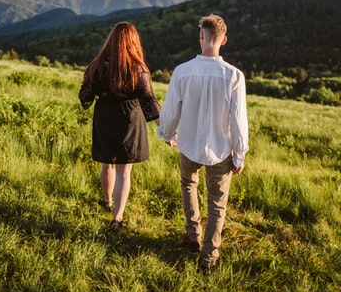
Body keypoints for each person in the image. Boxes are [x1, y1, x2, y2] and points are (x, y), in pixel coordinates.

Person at [158, 14, 249, 270]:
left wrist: (167, 134)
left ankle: (192, 236)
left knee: (188, 184)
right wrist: (239, 154)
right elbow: (239, 118)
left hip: (187, 142)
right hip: (221, 149)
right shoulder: (234, 75)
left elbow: (171, 110)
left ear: (201, 36)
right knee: (217, 203)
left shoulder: (182, 72)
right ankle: (209, 256)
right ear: (224, 40)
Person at [79, 21, 160, 229]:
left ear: (112, 40)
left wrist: (98, 93)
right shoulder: (138, 68)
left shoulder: (99, 64)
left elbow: (85, 93)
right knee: (125, 171)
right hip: (130, 119)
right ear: (134, 41)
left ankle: (107, 201)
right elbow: (148, 99)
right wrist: (164, 127)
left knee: (108, 163)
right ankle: (118, 218)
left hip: (105, 116)